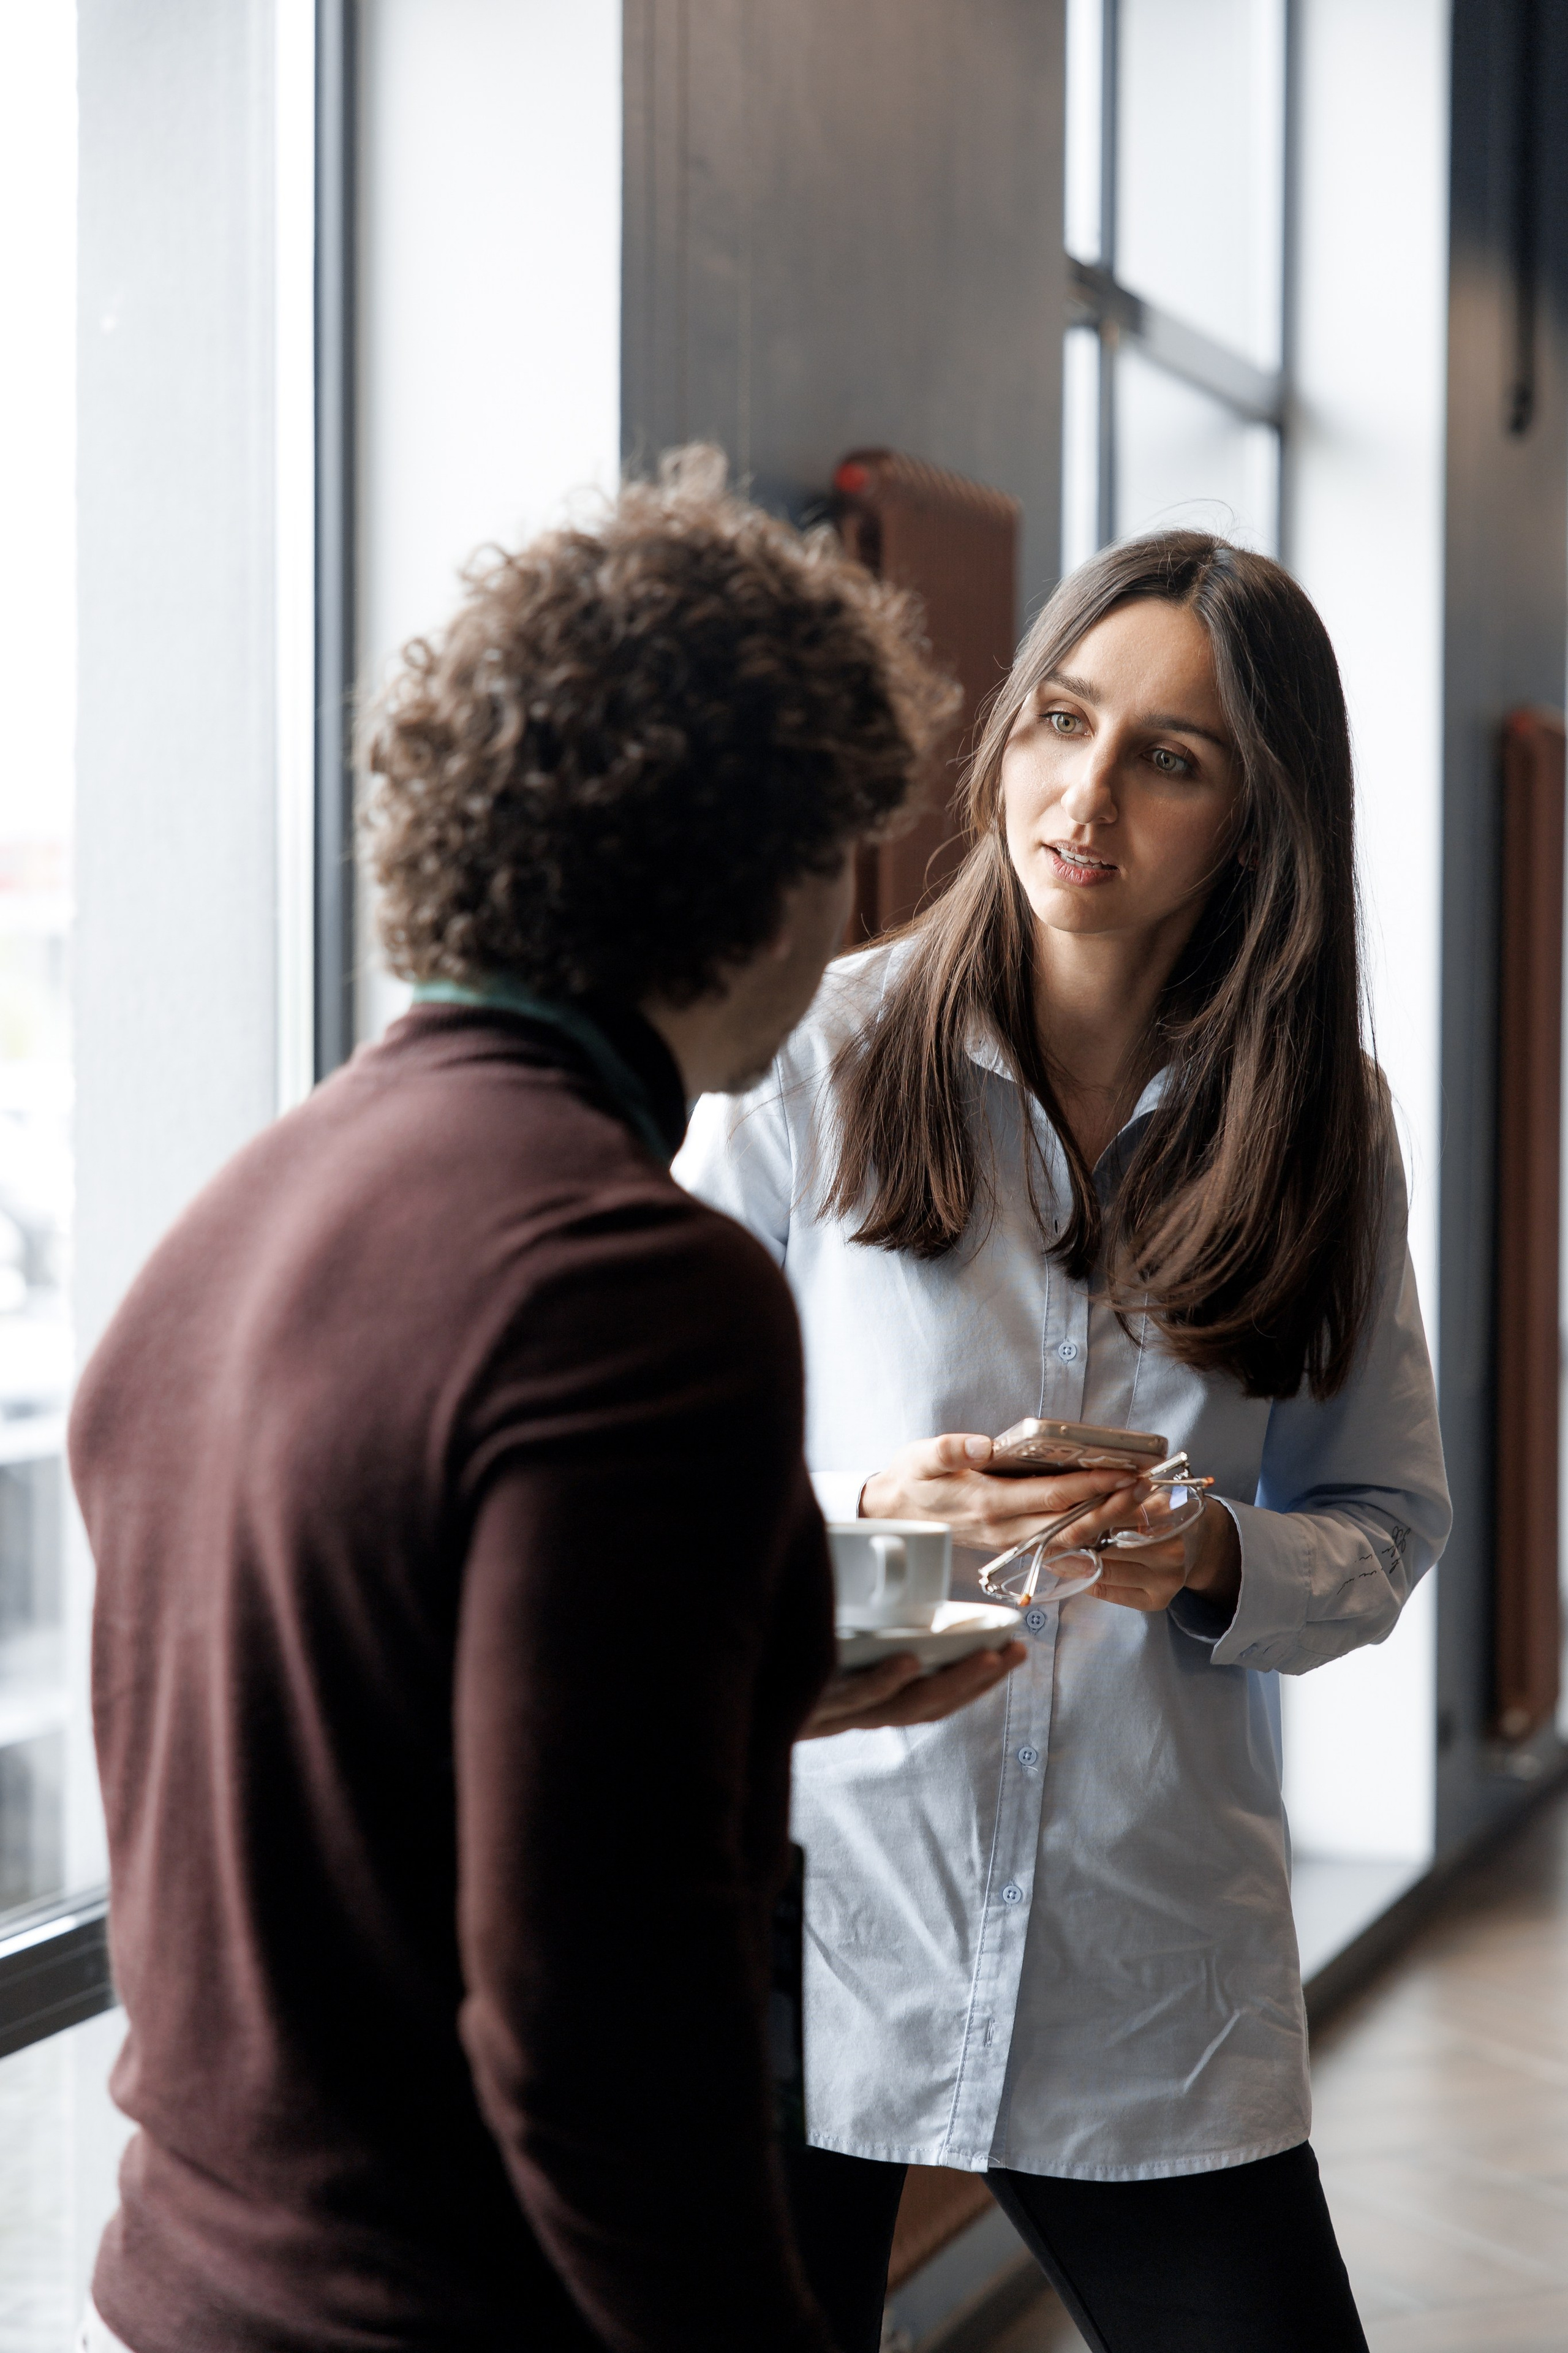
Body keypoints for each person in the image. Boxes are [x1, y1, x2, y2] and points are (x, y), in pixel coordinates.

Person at [69, 452, 1024, 2353]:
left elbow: (355, 1739)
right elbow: (592, 2022)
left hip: (186, 2286)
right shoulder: (636, 1285)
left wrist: (751, 1671)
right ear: (752, 875)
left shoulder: (234, 1218)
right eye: (844, 844)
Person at [676, 529, 1452, 2353]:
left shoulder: (1326, 1127)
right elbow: (645, 1490)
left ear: (1259, 822)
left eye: (1170, 757)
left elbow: (1389, 1519)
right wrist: (878, 1502)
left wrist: (1212, 1555)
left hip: (1147, 1943)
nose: (1084, 793)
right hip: (809, 1919)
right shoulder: (816, 1055)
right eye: (1061, 719)